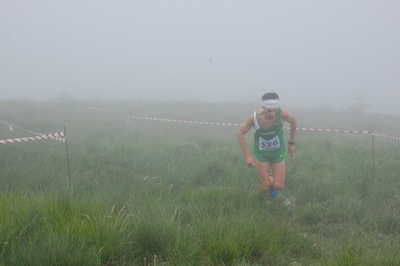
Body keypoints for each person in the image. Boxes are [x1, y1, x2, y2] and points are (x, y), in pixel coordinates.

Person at [237, 92, 297, 198]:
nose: (273, 114)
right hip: (262, 153)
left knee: (279, 186)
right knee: (265, 187)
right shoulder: (254, 118)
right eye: (269, 111)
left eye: (275, 110)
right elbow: (240, 133)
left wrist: (291, 143)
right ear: (263, 107)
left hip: (277, 151)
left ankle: (268, 177)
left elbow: (294, 121)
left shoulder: (282, 113)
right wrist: (247, 156)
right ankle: (266, 192)